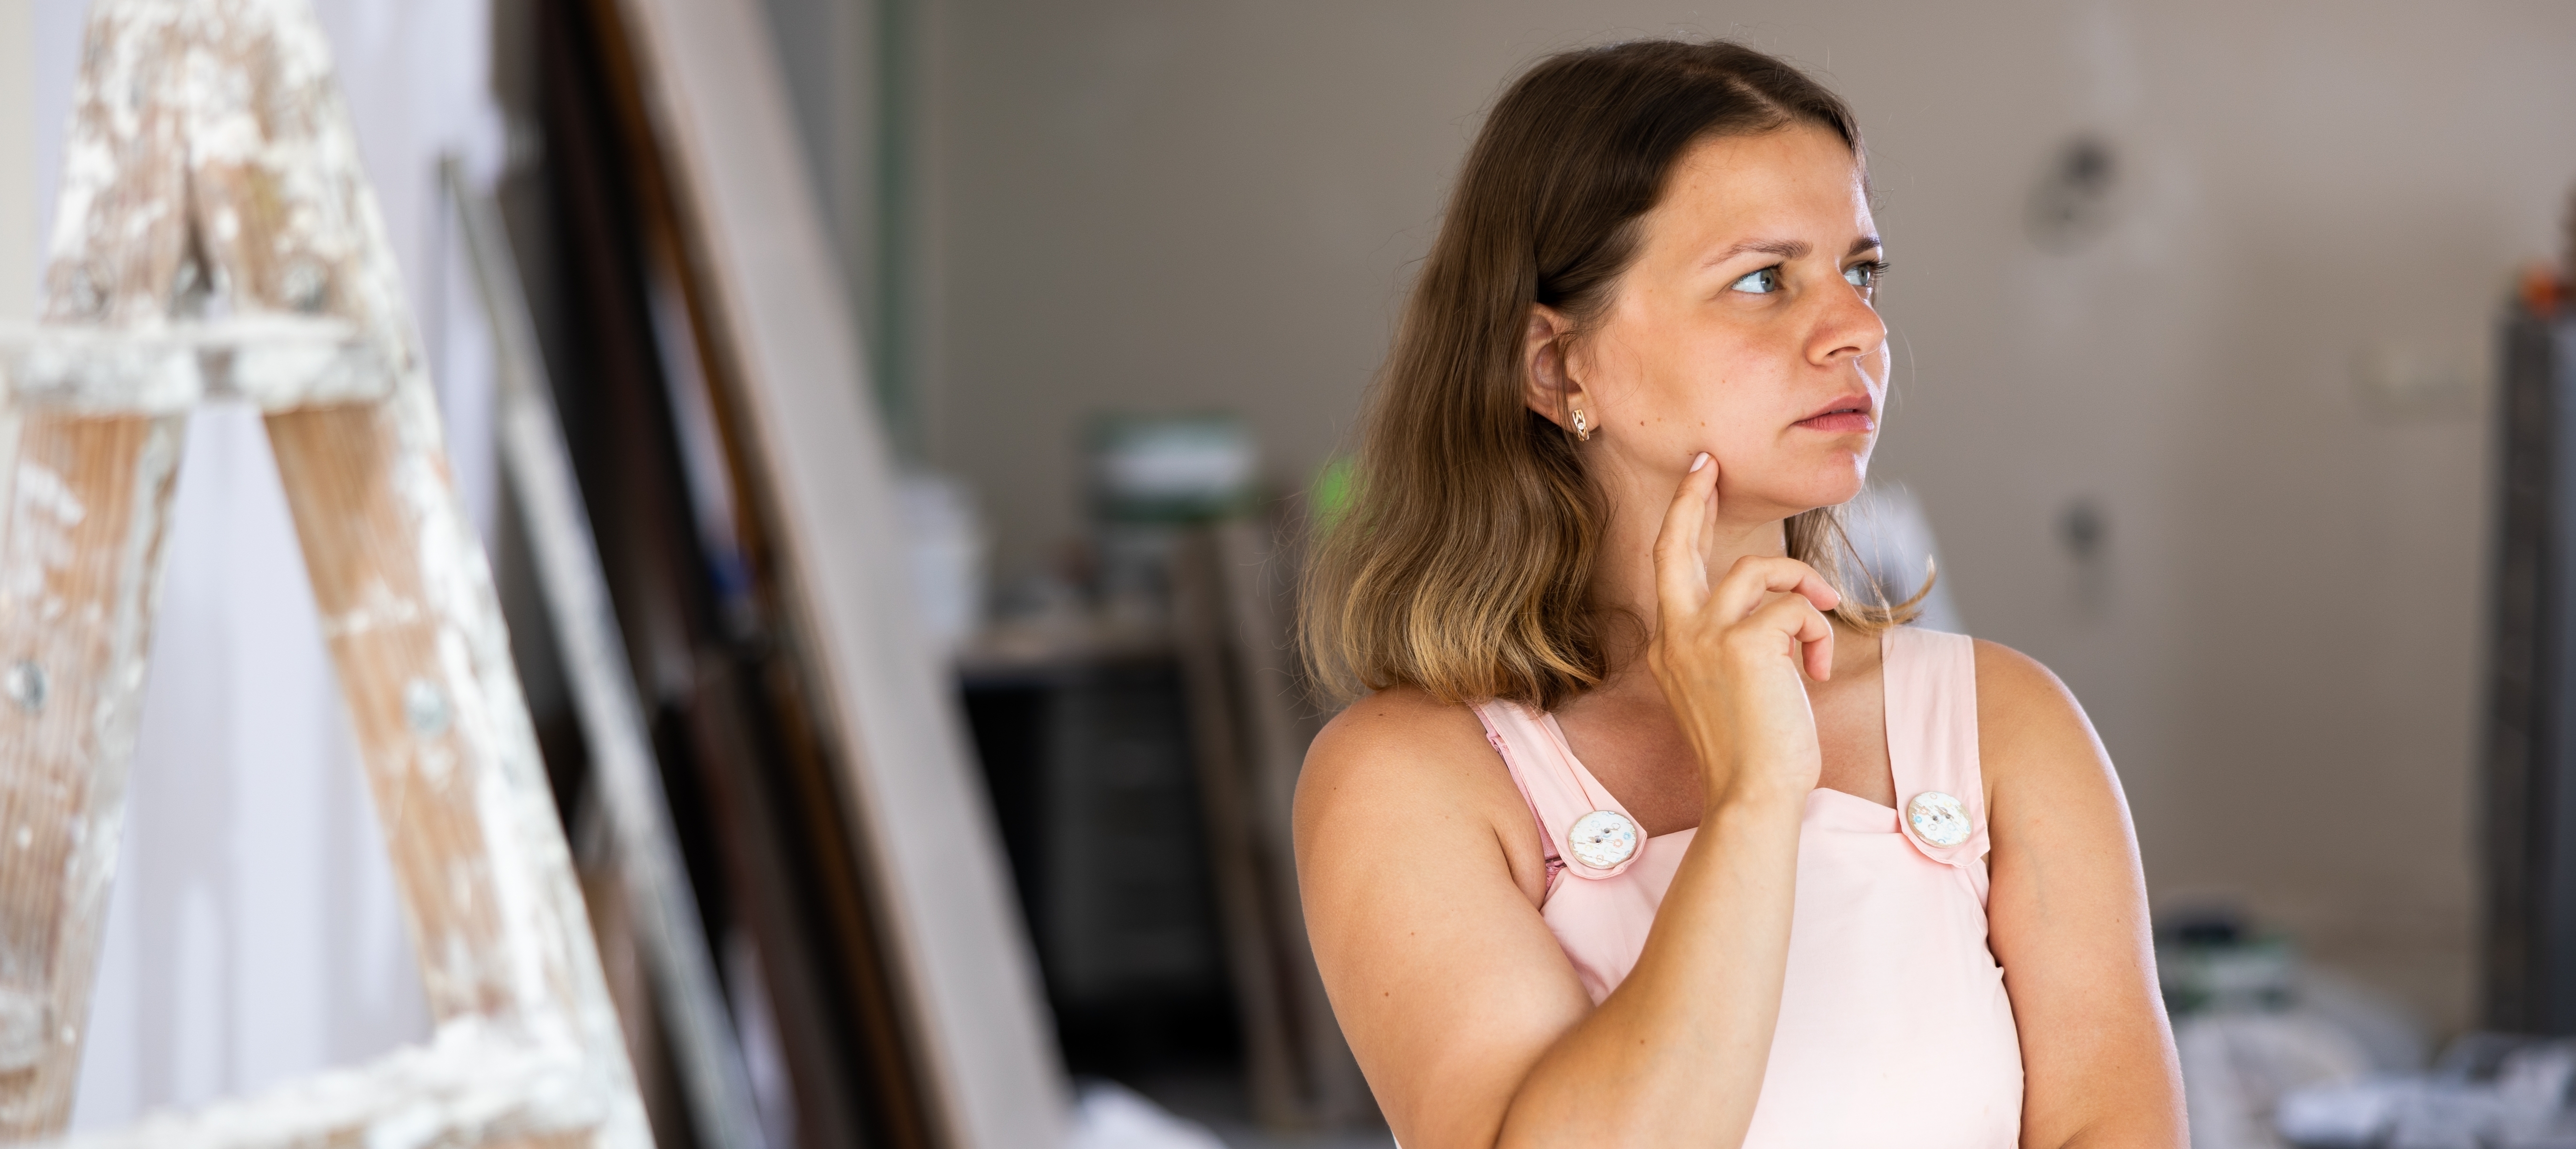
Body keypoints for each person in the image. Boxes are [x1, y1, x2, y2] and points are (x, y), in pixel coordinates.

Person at [1294, 40, 2184, 1148]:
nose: (1857, 329)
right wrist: (1758, 795)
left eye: (1859, 271)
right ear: (1556, 366)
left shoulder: (2007, 725)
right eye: (1763, 279)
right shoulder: (1412, 778)